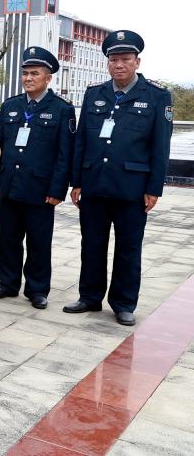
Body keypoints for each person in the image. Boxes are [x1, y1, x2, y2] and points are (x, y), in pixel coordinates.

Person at [66, 30, 172, 326]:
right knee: (92, 244)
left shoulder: (156, 96)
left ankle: (124, 303)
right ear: (108, 63)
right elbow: (81, 141)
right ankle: (89, 296)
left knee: (128, 248)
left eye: (125, 59)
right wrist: (77, 181)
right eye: (113, 60)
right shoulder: (94, 93)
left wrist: (154, 188)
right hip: (94, 184)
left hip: (132, 188)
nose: (119, 65)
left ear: (137, 62)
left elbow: (160, 147)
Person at [0, 47, 75, 310]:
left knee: (39, 242)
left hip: (40, 188)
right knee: (8, 239)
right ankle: (8, 283)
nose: (28, 78)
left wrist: (58, 189)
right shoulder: (11, 106)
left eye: (35, 73)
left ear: (48, 78)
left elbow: (64, 154)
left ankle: (37, 289)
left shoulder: (61, 109)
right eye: (25, 73)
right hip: (10, 184)